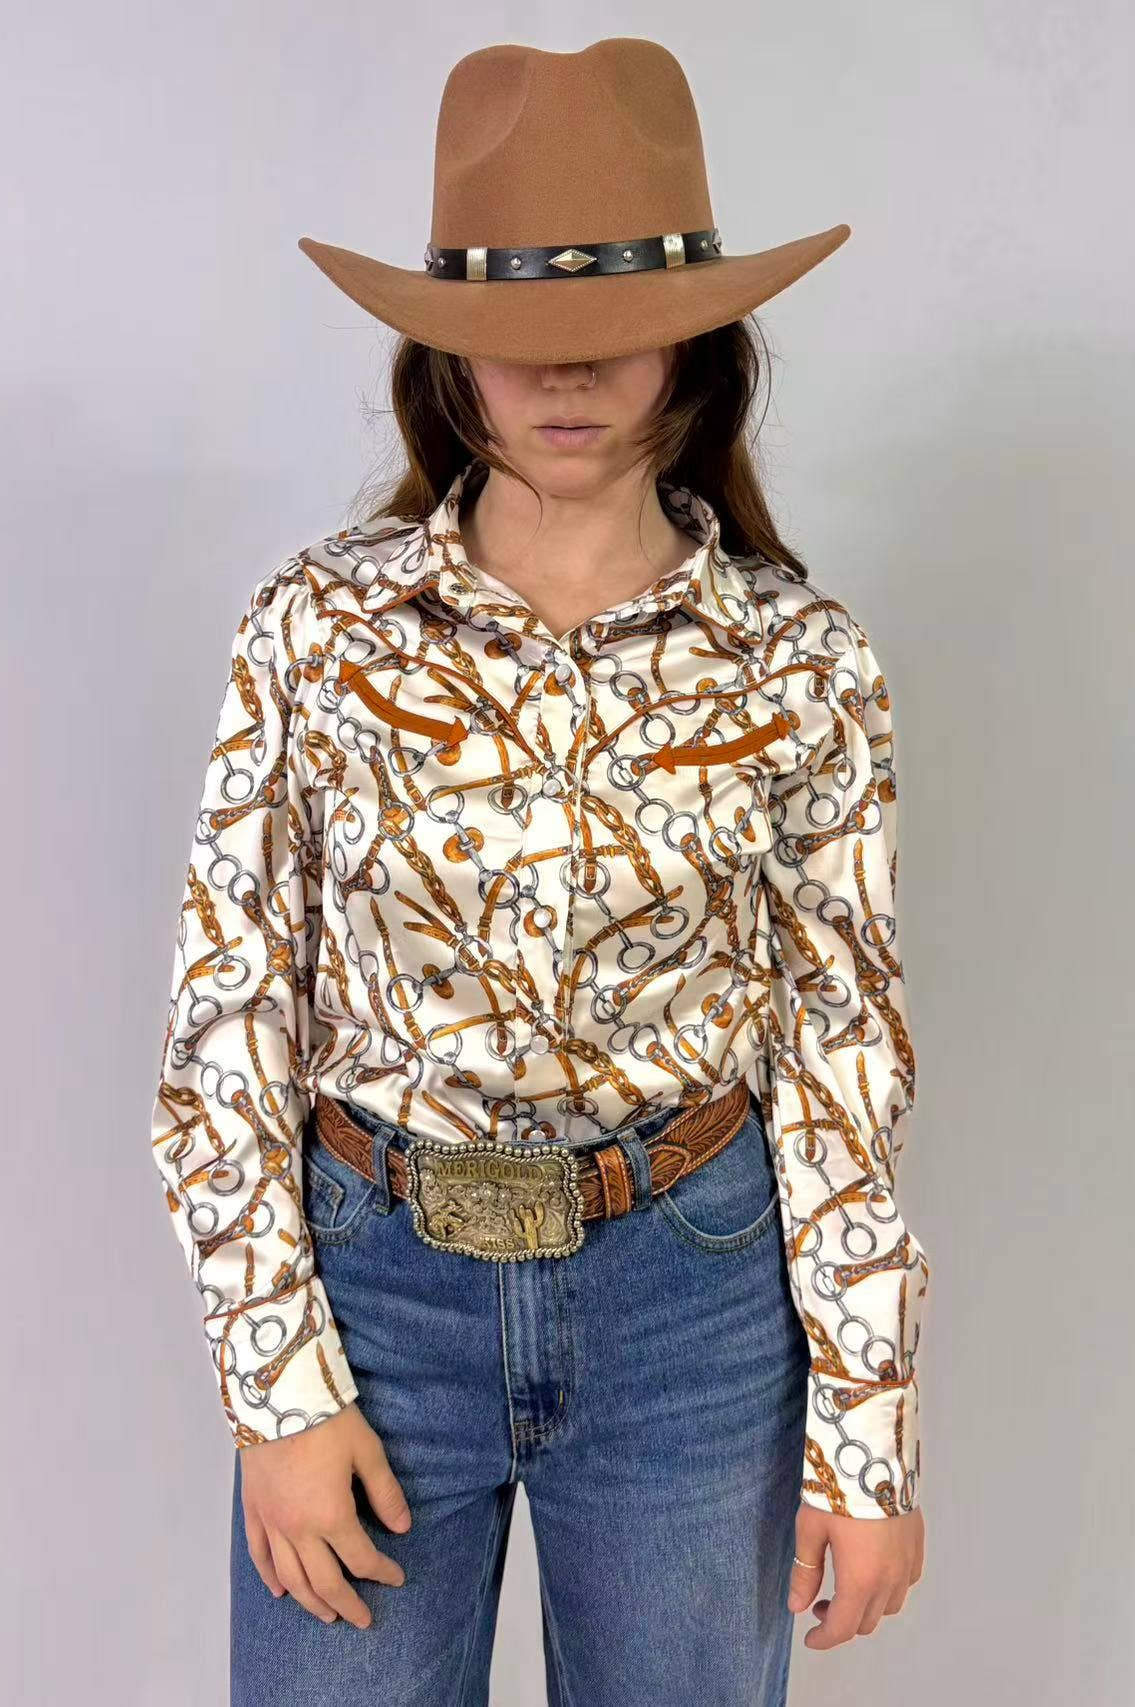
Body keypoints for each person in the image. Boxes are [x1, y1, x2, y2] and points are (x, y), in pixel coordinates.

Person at [147, 35, 929, 1707]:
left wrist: (869, 1432)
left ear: (700, 343)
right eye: (518, 341)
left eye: (616, 334)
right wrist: (275, 1387)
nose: (566, 380)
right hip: (374, 1287)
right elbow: (228, 1017)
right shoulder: (320, 633)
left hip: (691, 1310)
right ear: (448, 354)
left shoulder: (800, 661)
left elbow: (839, 1055)